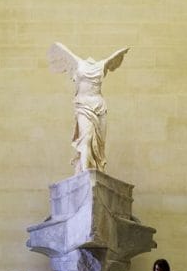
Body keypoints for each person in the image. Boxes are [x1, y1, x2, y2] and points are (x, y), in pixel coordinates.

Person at [47, 42, 129, 174]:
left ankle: (97, 171)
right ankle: (85, 176)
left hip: (99, 106)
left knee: (100, 145)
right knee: (86, 139)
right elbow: (59, 48)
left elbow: (114, 59)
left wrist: (120, 53)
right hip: (84, 105)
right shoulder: (78, 63)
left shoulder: (102, 64)